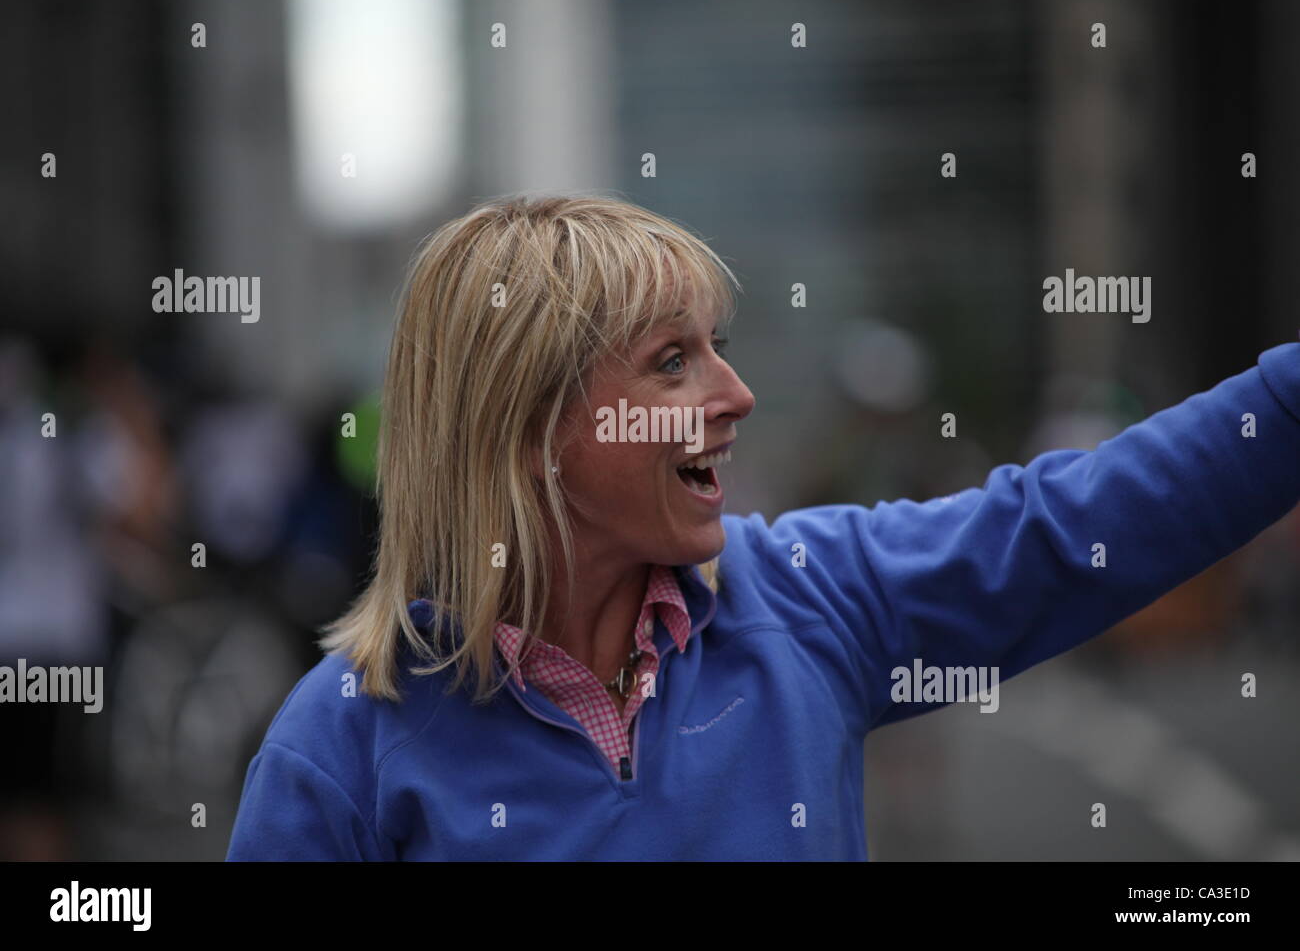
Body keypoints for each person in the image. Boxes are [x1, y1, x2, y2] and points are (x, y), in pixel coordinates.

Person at [226, 194, 1300, 860]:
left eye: (718, 346)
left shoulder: (809, 592)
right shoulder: (340, 747)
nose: (736, 395)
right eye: (671, 361)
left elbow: (1079, 523)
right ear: (531, 429)